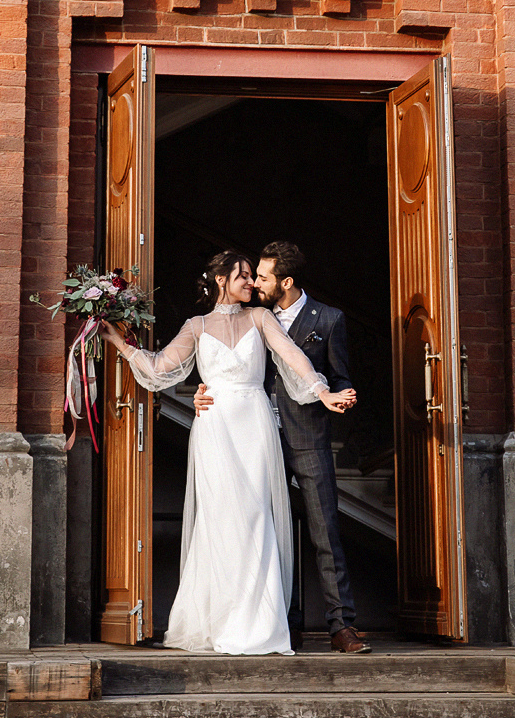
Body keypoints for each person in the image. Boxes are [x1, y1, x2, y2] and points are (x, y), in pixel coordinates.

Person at [96, 249, 355, 656]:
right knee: (219, 521)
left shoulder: (261, 318)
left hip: (254, 425)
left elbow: (294, 359)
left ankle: (259, 624)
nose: (252, 283)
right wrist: (122, 345)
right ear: (222, 280)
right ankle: (219, 621)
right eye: (245, 276)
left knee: (255, 518)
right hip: (215, 428)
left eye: (254, 276)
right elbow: (162, 366)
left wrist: (322, 393)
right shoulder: (196, 326)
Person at [194, 241, 369, 654]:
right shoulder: (252, 316)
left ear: (286, 282)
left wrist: (339, 395)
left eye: (264, 277)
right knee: (266, 533)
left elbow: (339, 375)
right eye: (252, 275)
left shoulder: (328, 319)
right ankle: (279, 624)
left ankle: (341, 625)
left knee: (325, 532)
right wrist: (205, 388)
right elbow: (225, 362)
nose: (255, 282)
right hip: (256, 439)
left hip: (308, 439)